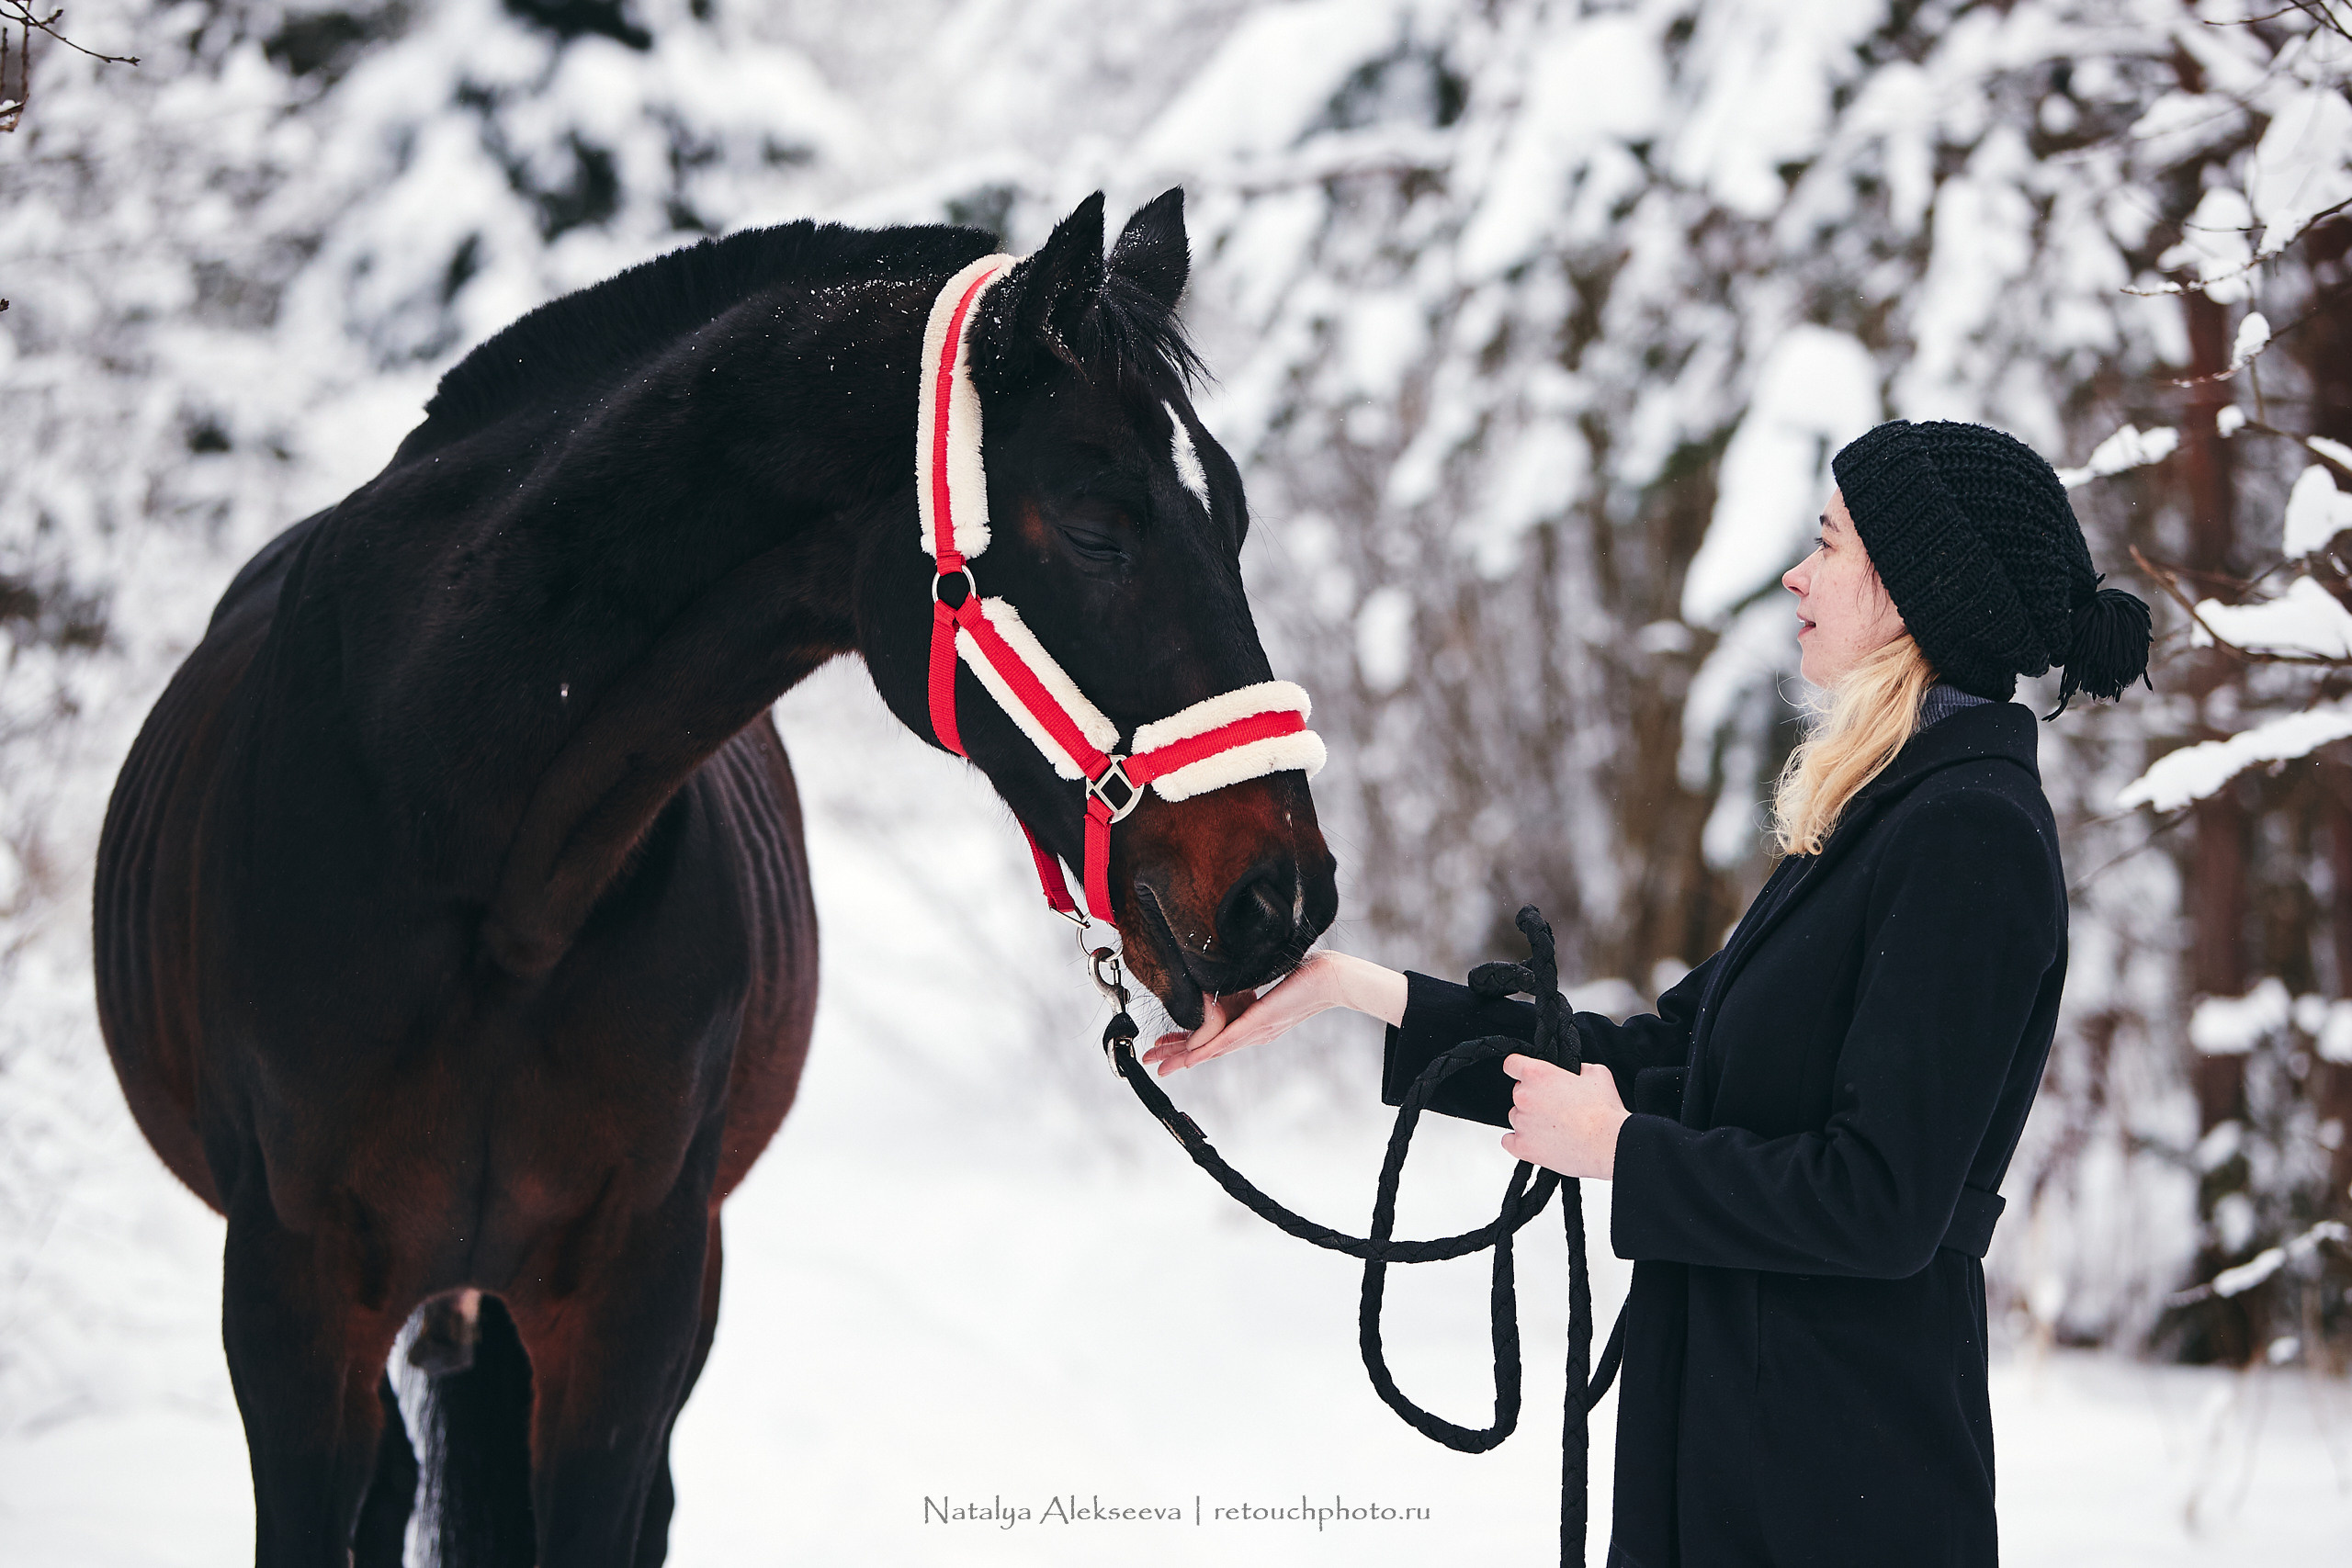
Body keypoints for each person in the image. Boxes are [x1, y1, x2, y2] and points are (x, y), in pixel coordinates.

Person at [1142, 419, 2153, 1567]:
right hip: (1734, 1444)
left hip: (1841, 1481)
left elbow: (1881, 1202)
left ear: (1912, 589)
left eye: (1827, 545)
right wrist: (1356, 991)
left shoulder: (1970, 836)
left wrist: (1626, 1153)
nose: (1796, 573)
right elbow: (1673, 1062)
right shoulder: (1887, 812)